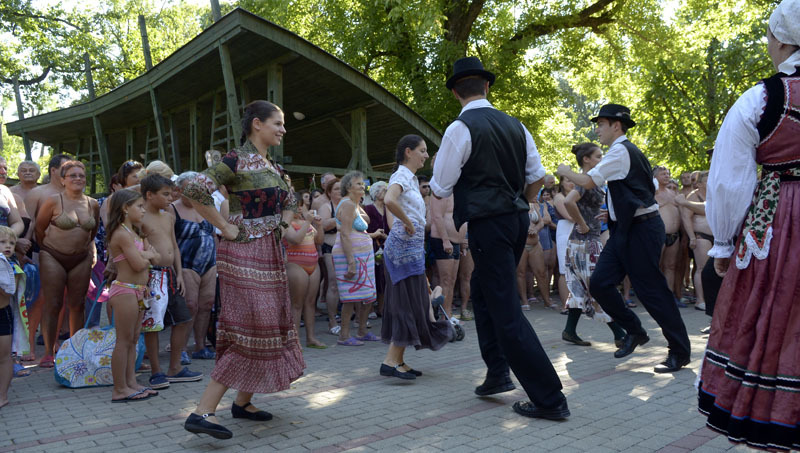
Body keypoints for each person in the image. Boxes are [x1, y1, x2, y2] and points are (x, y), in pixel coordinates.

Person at [431, 57, 569, 420]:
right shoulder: (516, 125)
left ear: (455, 92)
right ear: (487, 87)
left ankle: (550, 398)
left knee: (505, 309)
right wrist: (524, 200)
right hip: (515, 219)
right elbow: (537, 175)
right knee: (481, 290)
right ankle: (497, 372)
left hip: (488, 223)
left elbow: (441, 186)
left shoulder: (459, 128)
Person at [698, 2, 800, 448]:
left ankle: (776, 417)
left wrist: (722, 243)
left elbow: (730, 180)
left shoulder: (762, 98)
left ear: (781, 41)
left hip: (782, 220)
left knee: (776, 313)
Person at [182, 100, 304, 439]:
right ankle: (202, 412)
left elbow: (292, 201)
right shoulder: (234, 160)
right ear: (256, 124)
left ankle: (242, 402)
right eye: (277, 123)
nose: (283, 129)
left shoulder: (275, 167)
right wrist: (225, 226)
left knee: (267, 324)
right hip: (242, 252)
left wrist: (281, 225)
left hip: (270, 252)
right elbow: (193, 189)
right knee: (252, 325)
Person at [557, 104, 691, 373]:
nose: (597, 130)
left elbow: (587, 182)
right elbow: (645, 188)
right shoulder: (625, 153)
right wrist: (618, 210)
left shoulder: (621, 151)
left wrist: (565, 171)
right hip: (627, 229)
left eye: (601, 124)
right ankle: (635, 330)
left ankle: (679, 352)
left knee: (652, 292)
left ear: (616, 126)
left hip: (642, 230)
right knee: (600, 283)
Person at [382, 134, 452, 380]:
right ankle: (390, 361)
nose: (425, 155)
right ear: (408, 152)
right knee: (406, 304)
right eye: (422, 150)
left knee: (414, 303)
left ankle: (398, 360)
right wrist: (407, 221)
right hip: (401, 253)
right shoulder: (401, 175)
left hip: (411, 252)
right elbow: (389, 200)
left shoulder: (410, 178)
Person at [560, 143, 626, 347]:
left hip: (580, 243)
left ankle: (569, 331)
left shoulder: (591, 181)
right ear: (586, 159)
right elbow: (568, 202)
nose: (601, 159)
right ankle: (619, 334)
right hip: (586, 243)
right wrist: (582, 224)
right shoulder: (585, 181)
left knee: (580, 288)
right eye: (598, 156)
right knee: (599, 286)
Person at [34, 161, 99, 368]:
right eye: (72, 175)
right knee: (53, 303)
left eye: (81, 175)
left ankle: (75, 350)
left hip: (81, 257)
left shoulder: (92, 204)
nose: (78, 178)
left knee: (78, 304)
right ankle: (48, 352)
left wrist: (87, 251)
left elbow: (93, 232)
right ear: (63, 180)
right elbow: (39, 229)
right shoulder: (53, 201)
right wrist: (49, 249)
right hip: (53, 255)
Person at [139, 174, 201, 389]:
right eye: (165, 194)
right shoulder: (140, 216)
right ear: (149, 195)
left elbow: (174, 246)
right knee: (153, 324)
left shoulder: (168, 217)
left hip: (170, 274)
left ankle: (175, 368)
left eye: (171, 193)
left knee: (182, 318)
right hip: (152, 275)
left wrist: (180, 273)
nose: (170, 198)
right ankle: (156, 371)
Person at [105, 189, 160, 402]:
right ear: (125, 208)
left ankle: (131, 383)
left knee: (133, 340)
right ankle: (119, 388)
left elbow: (156, 259)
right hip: (125, 290)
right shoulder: (120, 234)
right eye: (139, 206)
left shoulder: (135, 233)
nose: (143, 210)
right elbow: (138, 264)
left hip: (139, 291)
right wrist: (147, 254)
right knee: (123, 340)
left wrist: (146, 255)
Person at [172, 172, 218, 362]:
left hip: (209, 263)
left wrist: (218, 260)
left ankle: (200, 346)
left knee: (207, 304)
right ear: (179, 190)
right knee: (190, 305)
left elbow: (214, 235)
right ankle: (181, 348)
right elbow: (170, 240)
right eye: (190, 189)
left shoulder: (207, 207)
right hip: (186, 263)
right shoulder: (172, 209)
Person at [332, 171, 380, 346]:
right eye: (358, 183)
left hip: (363, 256)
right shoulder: (347, 205)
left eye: (362, 183)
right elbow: (345, 234)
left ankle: (362, 331)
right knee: (350, 297)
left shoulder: (354, 204)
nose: (362, 186)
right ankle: (344, 336)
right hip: (352, 256)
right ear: (348, 187)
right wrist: (351, 262)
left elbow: (362, 224)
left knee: (368, 296)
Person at [283, 188, 326, 349]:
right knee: (297, 304)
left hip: (313, 265)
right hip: (295, 265)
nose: (299, 208)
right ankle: (294, 341)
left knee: (310, 303)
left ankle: (311, 338)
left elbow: (319, 241)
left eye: (301, 205)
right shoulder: (285, 223)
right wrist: (308, 222)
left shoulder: (304, 221)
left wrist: (319, 226)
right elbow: (295, 239)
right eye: (296, 206)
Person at [429, 155, 462, 317]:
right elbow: (437, 216)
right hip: (443, 240)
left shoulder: (454, 187)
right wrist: (445, 240)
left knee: (452, 279)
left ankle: (447, 314)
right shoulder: (439, 188)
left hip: (455, 241)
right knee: (446, 280)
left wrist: (462, 240)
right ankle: (444, 316)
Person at [680, 171, 711, 311]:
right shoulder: (693, 196)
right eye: (707, 180)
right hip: (701, 236)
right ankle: (700, 300)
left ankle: (711, 298)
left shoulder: (715, 194)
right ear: (700, 184)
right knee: (701, 268)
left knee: (715, 269)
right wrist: (692, 237)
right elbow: (686, 217)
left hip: (717, 237)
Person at [654, 166, 684, 306]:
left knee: (670, 266)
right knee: (656, 266)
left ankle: (669, 296)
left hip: (674, 235)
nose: (666, 176)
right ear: (655, 177)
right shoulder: (651, 193)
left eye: (668, 173)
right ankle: (655, 296)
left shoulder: (674, 194)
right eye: (663, 174)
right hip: (658, 235)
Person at [0, 226, 21, 408]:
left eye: (12, 243)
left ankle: (2, 395)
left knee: (4, 356)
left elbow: (8, 292)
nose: (8, 246)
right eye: (3, 242)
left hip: (2, 313)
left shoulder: (11, 266)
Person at [319, 178, 342, 334]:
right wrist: (341, 217)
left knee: (349, 282)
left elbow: (365, 219)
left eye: (342, 188)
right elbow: (324, 225)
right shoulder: (326, 207)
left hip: (348, 248)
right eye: (336, 189)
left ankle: (351, 318)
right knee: (333, 283)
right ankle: (332, 320)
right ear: (329, 192)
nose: (340, 191)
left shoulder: (351, 205)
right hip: (330, 248)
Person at [363, 181, 388, 317]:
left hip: (385, 245)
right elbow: (364, 229)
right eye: (384, 190)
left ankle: (382, 307)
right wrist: (375, 234)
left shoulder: (389, 209)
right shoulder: (368, 209)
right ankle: (370, 308)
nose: (386, 192)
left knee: (383, 276)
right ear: (376, 193)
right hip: (371, 245)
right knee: (372, 276)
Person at [553, 177, 575, 310]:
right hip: (565, 231)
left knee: (576, 269)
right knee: (564, 269)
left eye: (572, 180)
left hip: (576, 230)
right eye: (567, 180)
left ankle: (577, 303)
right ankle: (565, 305)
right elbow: (570, 216)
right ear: (561, 182)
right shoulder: (559, 197)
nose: (571, 183)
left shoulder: (575, 195)